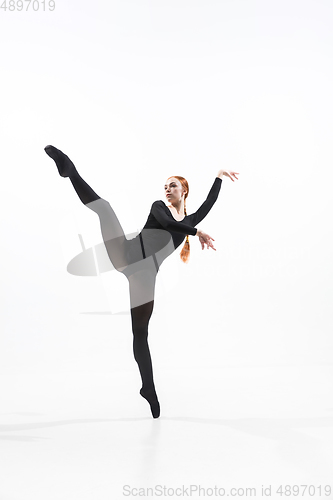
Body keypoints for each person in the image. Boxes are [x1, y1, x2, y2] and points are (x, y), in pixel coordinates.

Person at [44, 145, 239, 418]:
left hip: (144, 275)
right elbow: (166, 223)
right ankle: (68, 169)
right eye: (165, 186)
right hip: (125, 253)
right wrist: (196, 232)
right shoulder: (159, 207)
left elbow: (208, 204)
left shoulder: (191, 218)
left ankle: (148, 388)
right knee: (104, 208)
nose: (167, 189)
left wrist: (218, 176)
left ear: (184, 191)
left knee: (140, 333)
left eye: (172, 186)